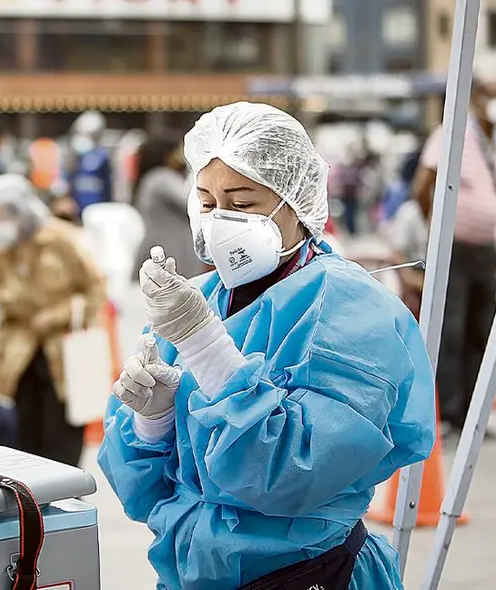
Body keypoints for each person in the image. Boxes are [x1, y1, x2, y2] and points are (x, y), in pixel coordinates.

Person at [98, 103, 435, 589]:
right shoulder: (203, 298)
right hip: (195, 573)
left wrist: (206, 347)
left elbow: (292, 476)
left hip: (308, 571)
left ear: (295, 201)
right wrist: (152, 423)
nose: (220, 222)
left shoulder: (349, 310)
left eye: (242, 202)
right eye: (208, 202)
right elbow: (143, 493)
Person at [412, 76, 496, 435]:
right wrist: (441, 230)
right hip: (454, 248)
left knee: (480, 332)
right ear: (477, 99)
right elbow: (421, 188)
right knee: (451, 331)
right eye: (495, 95)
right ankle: (447, 414)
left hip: (486, 249)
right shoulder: (450, 134)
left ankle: (472, 416)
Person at [0, 174, 107, 467]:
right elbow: (1, 294)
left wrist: (56, 315)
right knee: (23, 436)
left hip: (64, 350)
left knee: (62, 434)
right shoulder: (4, 246)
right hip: (22, 352)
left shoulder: (61, 238)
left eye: (2, 214)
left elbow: (95, 290)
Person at [131, 133, 199, 280]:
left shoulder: (154, 177)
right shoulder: (161, 178)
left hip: (169, 246)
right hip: (172, 249)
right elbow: (191, 202)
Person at [64, 110, 113, 218]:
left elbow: (109, 185)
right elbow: (69, 181)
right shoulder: (75, 156)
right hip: (78, 209)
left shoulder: (102, 156)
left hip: (98, 209)